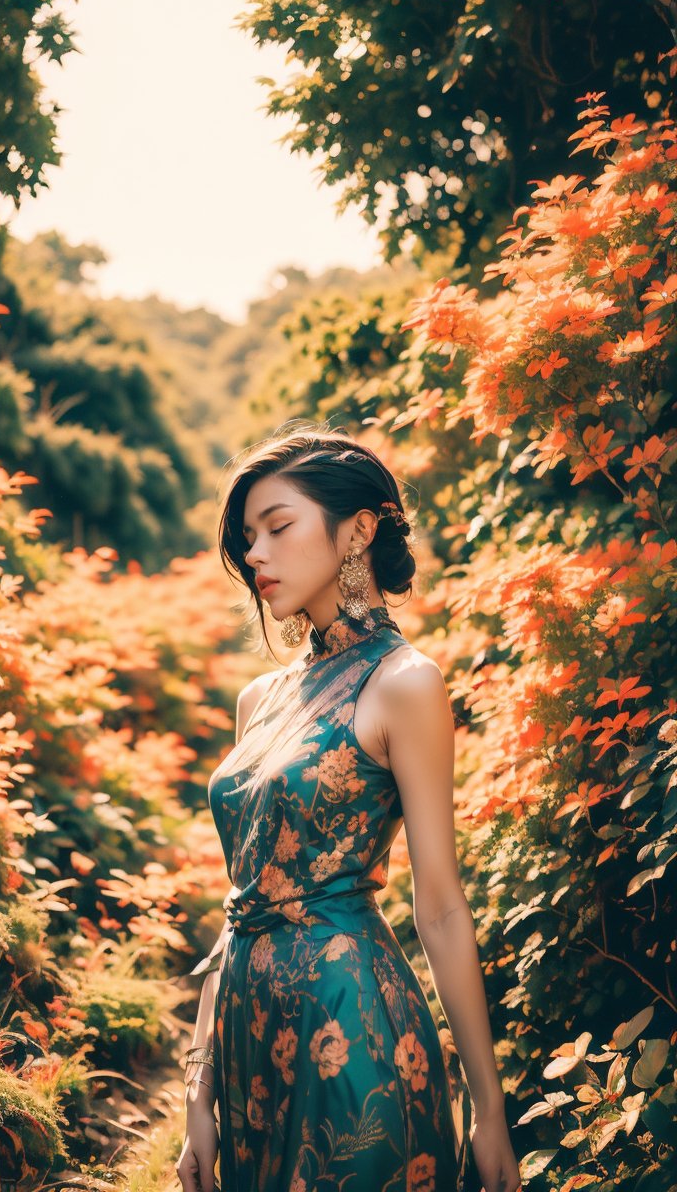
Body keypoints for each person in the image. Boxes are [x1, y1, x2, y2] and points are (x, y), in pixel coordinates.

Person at [176, 423, 521, 1192]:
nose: (255, 554)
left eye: (277, 526)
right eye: (246, 539)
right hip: (247, 1045)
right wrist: (199, 1087)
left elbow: (438, 907)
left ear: (358, 530)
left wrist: (489, 1109)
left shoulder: (405, 683)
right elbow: (242, 902)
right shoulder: (259, 698)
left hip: (356, 1036)